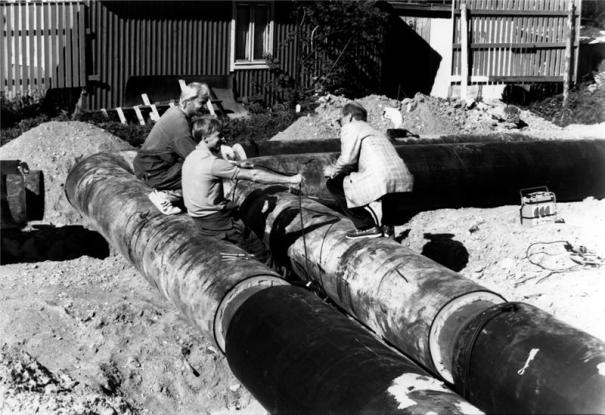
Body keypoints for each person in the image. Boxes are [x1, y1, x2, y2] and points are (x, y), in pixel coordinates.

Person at [182, 117, 303, 263]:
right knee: (260, 254)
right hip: (220, 222)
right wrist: (291, 180)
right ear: (205, 138)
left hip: (200, 222)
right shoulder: (213, 163)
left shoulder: (191, 158)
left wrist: (235, 164)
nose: (223, 139)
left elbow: (211, 169)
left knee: (232, 259)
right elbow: (255, 175)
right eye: (219, 135)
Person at [324, 101, 413, 239]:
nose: (340, 123)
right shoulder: (376, 131)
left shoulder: (350, 127)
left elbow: (347, 159)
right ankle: (388, 227)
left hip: (382, 177)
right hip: (403, 178)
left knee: (333, 184)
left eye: (340, 119)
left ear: (349, 117)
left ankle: (366, 226)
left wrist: (333, 170)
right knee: (387, 186)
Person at [133, 82, 211, 215]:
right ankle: (164, 196)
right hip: (154, 171)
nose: (204, 107)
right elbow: (196, 158)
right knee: (203, 176)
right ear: (188, 101)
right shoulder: (180, 125)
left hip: (151, 165)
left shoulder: (175, 112)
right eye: (201, 102)